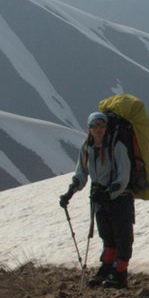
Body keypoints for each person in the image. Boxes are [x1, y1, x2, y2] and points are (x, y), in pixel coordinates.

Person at [59, 111, 134, 287]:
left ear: (106, 127)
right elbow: (81, 173)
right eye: (94, 126)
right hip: (100, 197)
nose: (98, 129)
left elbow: (124, 176)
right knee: (107, 235)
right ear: (89, 129)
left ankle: (120, 273)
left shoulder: (117, 146)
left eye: (101, 125)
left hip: (119, 197)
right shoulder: (87, 147)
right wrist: (70, 192)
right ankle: (108, 269)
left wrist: (109, 193)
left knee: (122, 236)